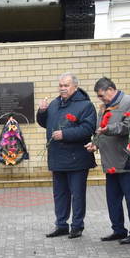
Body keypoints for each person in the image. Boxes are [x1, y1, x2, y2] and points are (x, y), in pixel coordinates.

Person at [36, 73, 97, 238]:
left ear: (75, 87)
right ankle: (61, 224)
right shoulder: (55, 103)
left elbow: (88, 129)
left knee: (77, 194)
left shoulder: (86, 106)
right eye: (60, 85)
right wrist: (42, 112)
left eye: (66, 85)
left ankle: (77, 226)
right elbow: (45, 123)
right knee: (60, 194)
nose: (62, 88)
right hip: (57, 157)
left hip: (77, 159)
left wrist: (65, 134)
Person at [87, 76, 130, 242]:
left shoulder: (129, 102)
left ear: (110, 90)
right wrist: (95, 144)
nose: (100, 99)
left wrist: (108, 129)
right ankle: (118, 229)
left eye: (102, 95)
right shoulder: (105, 106)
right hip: (109, 162)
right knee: (113, 199)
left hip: (124, 160)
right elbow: (99, 128)